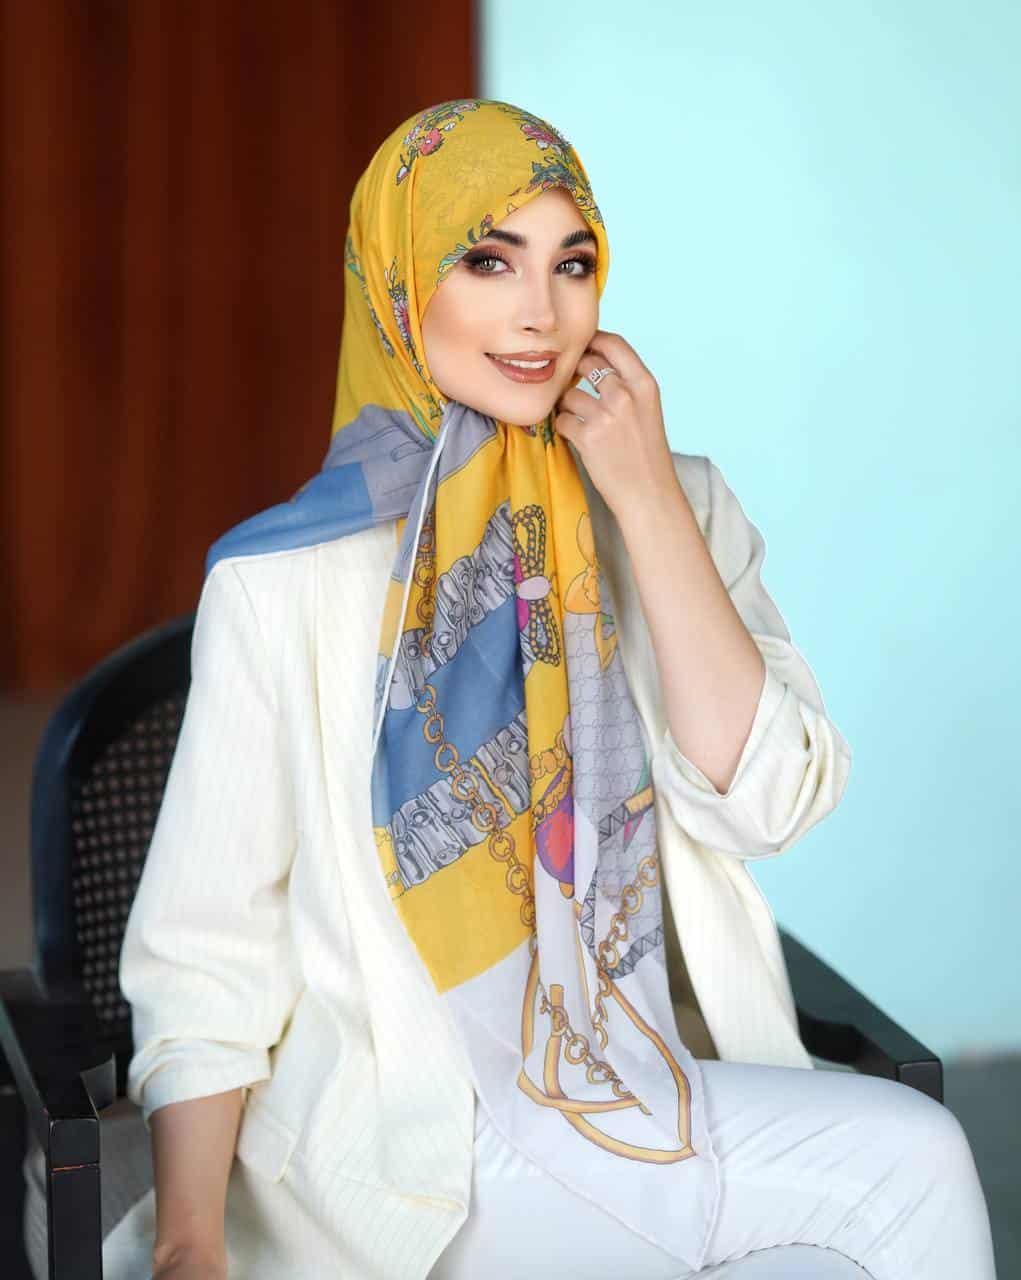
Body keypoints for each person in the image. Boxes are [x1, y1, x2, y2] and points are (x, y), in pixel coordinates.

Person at [97, 100, 996, 1279]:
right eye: (488, 260)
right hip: (423, 1137)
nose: (541, 312)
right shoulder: (285, 579)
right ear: (399, 281)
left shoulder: (676, 503)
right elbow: (205, 952)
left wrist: (647, 499)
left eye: (571, 263)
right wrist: (189, 1240)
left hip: (641, 1069)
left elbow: (768, 801)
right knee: (909, 1163)